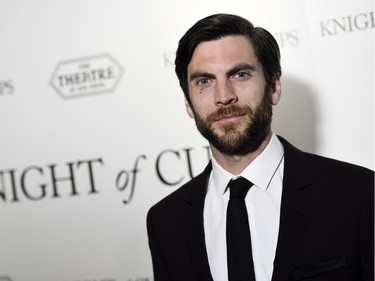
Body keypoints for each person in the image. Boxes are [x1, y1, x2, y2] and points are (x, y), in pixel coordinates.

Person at [146, 13, 374, 281]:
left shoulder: (359, 193)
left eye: (240, 74)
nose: (224, 96)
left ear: (274, 87)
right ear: (188, 103)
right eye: (204, 81)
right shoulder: (165, 221)